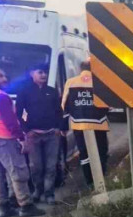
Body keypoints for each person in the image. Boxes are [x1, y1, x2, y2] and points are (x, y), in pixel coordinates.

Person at [0, 67, 44, 217]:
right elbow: (10, 121)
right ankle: (26, 206)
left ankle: (3, 207)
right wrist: (20, 138)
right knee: (17, 170)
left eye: (5, 75)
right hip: (3, 140)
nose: (4, 79)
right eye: (0, 76)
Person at [16, 64, 63, 204]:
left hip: (51, 135)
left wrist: (58, 128)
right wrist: (27, 130)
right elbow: (19, 114)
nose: (44, 75)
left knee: (51, 166)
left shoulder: (52, 91)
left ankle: (49, 194)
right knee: (36, 166)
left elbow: (59, 112)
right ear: (32, 74)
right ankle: (37, 191)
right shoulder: (24, 92)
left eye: (45, 72)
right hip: (33, 135)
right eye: (40, 72)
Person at [62, 60, 110, 188]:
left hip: (79, 125)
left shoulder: (71, 82)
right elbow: (107, 104)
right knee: (101, 151)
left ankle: (89, 181)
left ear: (80, 68)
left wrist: (69, 120)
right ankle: (101, 178)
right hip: (99, 124)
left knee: (84, 153)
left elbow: (64, 105)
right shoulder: (101, 82)